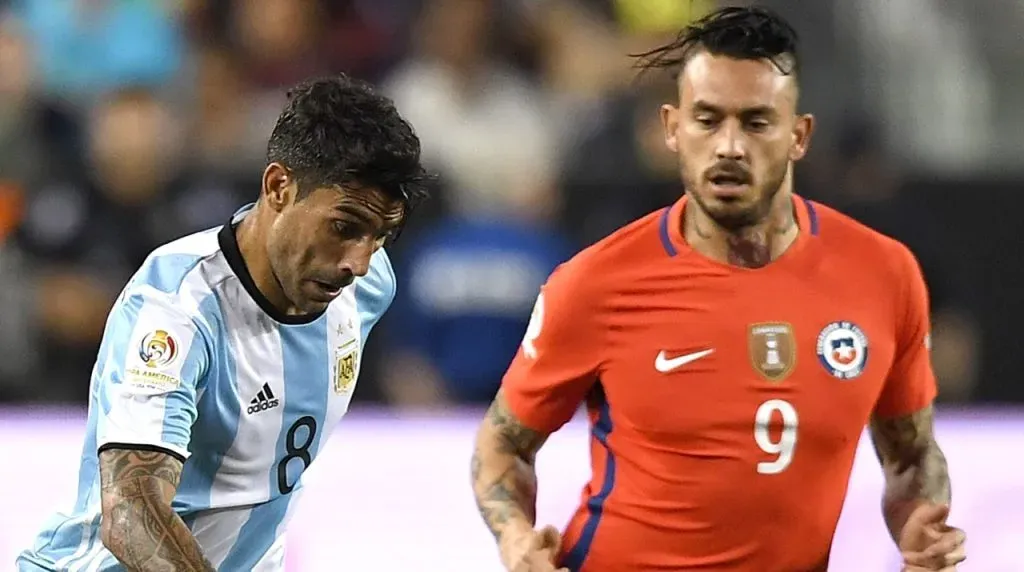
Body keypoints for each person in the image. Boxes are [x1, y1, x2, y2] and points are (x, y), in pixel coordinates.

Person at [470, 7, 967, 572]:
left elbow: (911, 455)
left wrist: (920, 525)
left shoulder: (884, 273)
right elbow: (503, 443)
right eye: (707, 120)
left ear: (799, 135)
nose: (730, 146)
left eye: (756, 122)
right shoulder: (595, 283)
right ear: (672, 128)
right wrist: (514, 537)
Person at [17, 75, 429, 571]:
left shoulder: (365, 285)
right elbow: (131, 512)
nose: (359, 262)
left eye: (380, 236)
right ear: (279, 186)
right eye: (343, 228)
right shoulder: (175, 310)